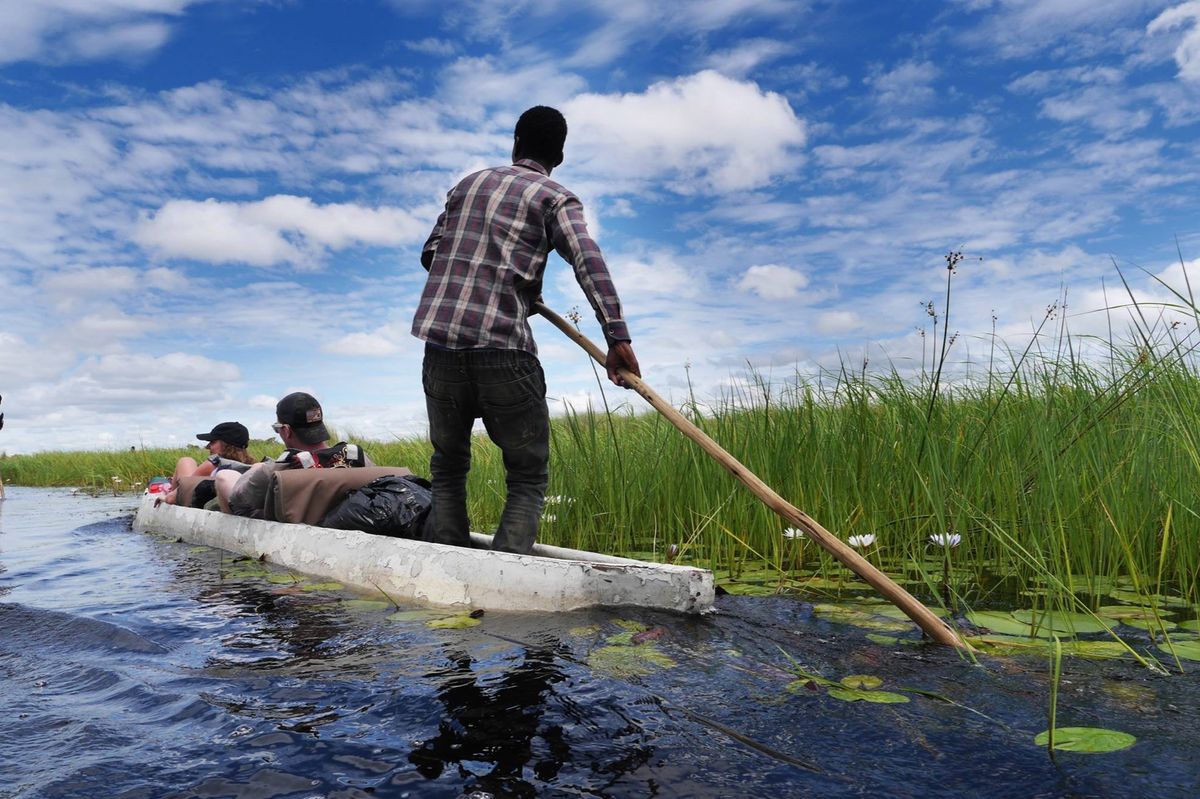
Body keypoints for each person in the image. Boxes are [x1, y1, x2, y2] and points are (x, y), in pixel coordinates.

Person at [412, 105, 640, 555]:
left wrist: (507, 282)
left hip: (441, 348)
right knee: (527, 475)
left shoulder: (467, 185)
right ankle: (506, 573)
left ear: (516, 142)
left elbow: (432, 254)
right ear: (559, 154)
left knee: (449, 466)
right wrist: (617, 337)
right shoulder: (556, 197)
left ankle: (449, 564)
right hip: (504, 350)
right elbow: (587, 260)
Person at [215, 392, 372, 518]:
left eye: (277, 428)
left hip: (298, 523)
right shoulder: (357, 456)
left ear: (287, 430)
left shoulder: (277, 469)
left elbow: (237, 500)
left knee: (224, 477)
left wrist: (255, 470)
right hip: (348, 517)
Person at [160, 422, 256, 507]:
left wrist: (167, 498)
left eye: (212, 442)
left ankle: (170, 491)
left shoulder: (212, 464)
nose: (207, 447)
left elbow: (181, 490)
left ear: (226, 444)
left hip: (195, 502)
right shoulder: (251, 466)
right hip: (226, 503)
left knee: (186, 461)